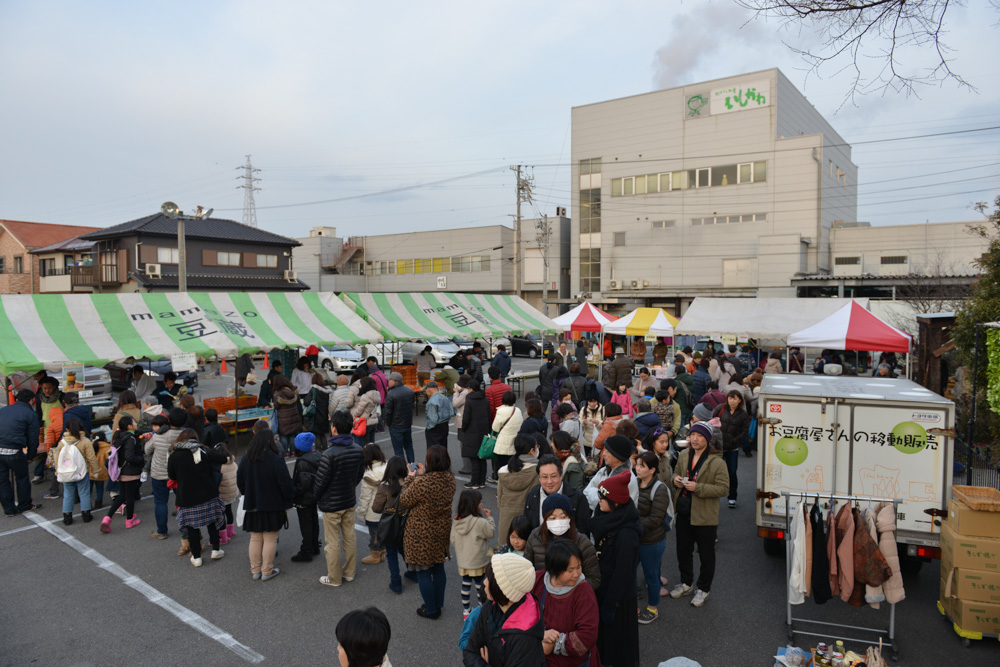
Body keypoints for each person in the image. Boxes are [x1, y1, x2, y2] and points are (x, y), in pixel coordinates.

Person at [670, 421, 729, 607]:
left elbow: (723, 488)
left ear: (708, 439)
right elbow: (675, 474)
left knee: (706, 554)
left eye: (700, 436)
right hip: (684, 511)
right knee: (683, 551)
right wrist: (676, 480)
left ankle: (703, 588)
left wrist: (699, 487)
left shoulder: (717, 462)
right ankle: (686, 583)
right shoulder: (684, 454)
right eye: (693, 435)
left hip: (704, 515)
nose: (694, 439)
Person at [591, 471, 640, 666]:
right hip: (604, 590)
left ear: (616, 502)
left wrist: (610, 605)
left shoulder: (627, 534)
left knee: (619, 647)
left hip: (617, 598)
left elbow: (623, 573)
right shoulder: (609, 518)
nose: (599, 500)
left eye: (603, 497)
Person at [400, 445, 456, 619]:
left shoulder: (423, 483)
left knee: (423, 571)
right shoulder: (450, 479)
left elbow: (404, 499)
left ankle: (431, 609)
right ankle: (438, 603)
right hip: (441, 530)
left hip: (421, 533)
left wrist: (411, 477)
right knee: (438, 568)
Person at [462, 553, 546, 666]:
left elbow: (473, 654)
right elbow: (470, 650)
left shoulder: (524, 636)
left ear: (503, 589)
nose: (484, 582)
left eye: (490, 579)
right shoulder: (490, 605)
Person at [314, 410, 366, 587]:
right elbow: (359, 474)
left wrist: (315, 497)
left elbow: (320, 482)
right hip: (349, 500)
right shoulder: (358, 449)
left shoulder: (329, 454)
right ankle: (349, 573)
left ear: (334, 429)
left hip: (331, 503)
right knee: (349, 537)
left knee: (333, 541)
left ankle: (334, 578)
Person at [531, 538, 601, 667]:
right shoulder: (537, 581)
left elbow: (587, 635)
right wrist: (540, 634)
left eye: (579, 567)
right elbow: (520, 616)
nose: (576, 574)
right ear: (553, 570)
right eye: (570, 570)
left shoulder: (583, 591)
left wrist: (554, 644)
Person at [237, 429, 295, 581]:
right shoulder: (276, 459)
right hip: (272, 505)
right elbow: (285, 484)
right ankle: (267, 571)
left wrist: (247, 493)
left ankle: (255, 570)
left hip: (252, 504)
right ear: (270, 441)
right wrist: (289, 498)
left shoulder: (246, 458)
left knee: (255, 538)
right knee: (270, 538)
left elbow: (240, 482)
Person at [168, 429, 228, 567]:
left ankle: (197, 557)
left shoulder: (174, 456)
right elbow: (223, 458)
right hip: (208, 492)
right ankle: (216, 549)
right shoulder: (203, 450)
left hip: (187, 497)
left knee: (191, 527)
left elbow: (172, 476)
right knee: (212, 521)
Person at [524, 493, 601, 587]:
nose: (558, 521)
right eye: (552, 518)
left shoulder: (582, 542)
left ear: (570, 518)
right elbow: (526, 571)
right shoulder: (535, 537)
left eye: (563, 517)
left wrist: (567, 590)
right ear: (545, 520)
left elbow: (594, 579)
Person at [635, 451, 671, 624]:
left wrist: (632, 526)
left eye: (642, 466)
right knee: (629, 572)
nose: (638, 469)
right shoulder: (633, 483)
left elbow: (656, 519)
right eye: (637, 464)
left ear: (652, 469)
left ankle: (652, 608)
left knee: (651, 576)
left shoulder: (660, 489)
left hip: (652, 541)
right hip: (635, 538)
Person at [451, 488, 496, 619]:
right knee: (479, 586)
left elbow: (453, 540)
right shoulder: (480, 522)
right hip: (478, 561)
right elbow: (491, 533)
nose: (481, 504)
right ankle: (483, 609)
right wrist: (490, 518)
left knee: (465, 584)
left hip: (464, 561)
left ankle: (466, 611)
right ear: (474, 505)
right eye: (479, 502)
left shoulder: (457, 521)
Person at [0, 390, 42, 516]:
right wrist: (30, 456)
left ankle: (9, 510)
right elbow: (33, 438)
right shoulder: (30, 414)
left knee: (2, 481)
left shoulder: (3, 410)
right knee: (22, 477)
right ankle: (25, 505)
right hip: (14, 451)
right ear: (31, 400)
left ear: (17, 399)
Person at [146, 407, 186, 540]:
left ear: (169, 420)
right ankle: (185, 531)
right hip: (179, 473)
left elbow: (147, 450)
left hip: (159, 473)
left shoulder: (159, 435)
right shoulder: (186, 435)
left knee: (160, 503)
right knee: (182, 501)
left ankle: (162, 531)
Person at [372, 456, 410, 594]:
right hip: (406, 523)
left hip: (390, 526)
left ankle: (396, 583)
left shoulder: (384, 487)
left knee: (391, 554)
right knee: (405, 550)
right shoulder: (409, 483)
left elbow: (376, 508)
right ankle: (412, 573)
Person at [100, 415, 144, 532]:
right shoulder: (131, 439)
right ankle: (130, 520)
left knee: (122, 496)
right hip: (130, 471)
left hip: (120, 470)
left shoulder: (119, 436)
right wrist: (141, 460)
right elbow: (130, 457)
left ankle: (107, 518)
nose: (136, 423)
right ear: (129, 426)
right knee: (129, 496)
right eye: (134, 422)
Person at [54, 418, 98, 524]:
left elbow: (57, 459)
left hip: (66, 473)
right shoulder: (85, 441)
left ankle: (67, 517)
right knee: (84, 493)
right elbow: (91, 458)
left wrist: (57, 471)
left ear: (67, 429)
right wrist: (95, 470)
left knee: (68, 494)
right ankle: (86, 514)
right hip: (82, 472)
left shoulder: (62, 442)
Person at [290, 432, 323, 563]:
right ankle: (315, 546)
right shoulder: (316, 456)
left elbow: (303, 485)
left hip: (304, 498)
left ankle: (306, 551)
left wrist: (293, 491)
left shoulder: (303, 462)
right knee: (314, 521)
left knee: (306, 525)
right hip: (314, 496)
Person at [583, 435, 639, 512]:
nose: (604, 454)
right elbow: (585, 493)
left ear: (617, 456)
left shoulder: (629, 480)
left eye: (608, 451)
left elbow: (621, 511)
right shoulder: (603, 471)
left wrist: (594, 493)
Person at [719, 390, 749, 508]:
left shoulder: (743, 414)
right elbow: (712, 421)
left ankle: (732, 497)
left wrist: (735, 440)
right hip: (719, 447)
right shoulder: (721, 408)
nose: (732, 401)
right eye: (730, 398)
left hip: (732, 448)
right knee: (714, 472)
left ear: (740, 400)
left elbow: (744, 431)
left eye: (735, 399)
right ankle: (711, 495)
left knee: (732, 473)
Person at [358, 444, 388, 565]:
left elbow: (365, 498)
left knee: (374, 535)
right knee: (383, 533)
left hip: (373, 511)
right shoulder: (388, 467)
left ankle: (375, 555)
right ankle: (382, 552)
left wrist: (361, 512)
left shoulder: (368, 474)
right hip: (386, 508)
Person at [460, 380, 491, 490]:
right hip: (483, 431)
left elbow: (466, 416)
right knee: (482, 457)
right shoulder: (485, 398)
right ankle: (482, 481)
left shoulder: (469, 399)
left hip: (472, 431)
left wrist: (463, 428)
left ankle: (474, 482)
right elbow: (489, 415)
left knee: (474, 458)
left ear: (471, 388)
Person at [491, 391, 524, 480]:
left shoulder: (501, 411)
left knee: (502, 468)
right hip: (514, 443)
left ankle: (502, 488)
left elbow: (495, 428)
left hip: (503, 444)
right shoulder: (517, 410)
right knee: (512, 468)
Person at [383, 372, 415, 463]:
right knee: (409, 447)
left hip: (396, 425)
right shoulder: (410, 391)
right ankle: (412, 468)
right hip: (407, 424)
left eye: (390, 380)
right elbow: (412, 406)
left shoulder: (391, 394)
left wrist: (388, 423)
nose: (388, 382)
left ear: (394, 381)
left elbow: (388, 412)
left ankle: (402, 470)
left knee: (398, 450)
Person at [273, 376, 304, 459]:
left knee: (284, 436)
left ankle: (286, 452)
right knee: (293, 435)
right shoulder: (293, 391)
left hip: (283, 418)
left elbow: (276, 406)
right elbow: (298, 402)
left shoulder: (278, 393)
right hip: (294, 416)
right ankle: (293, 452)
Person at [215, 439, 238, 545]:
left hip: (222, 494)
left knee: (221, 515)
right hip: (231, 492)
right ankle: (231, 531)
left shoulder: (219, 466)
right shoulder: (233, 463)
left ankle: (223, 537)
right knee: (229, 511)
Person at [350, 377, 381, 447]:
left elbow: (359, 411)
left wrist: (354, 413)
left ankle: (366, 457)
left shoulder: (365, 396)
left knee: (365, 446)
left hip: (365, 423)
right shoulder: (377, 394)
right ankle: (373, 456)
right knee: (372, 444)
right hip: (374, 421)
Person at [424, 381, 454, 449]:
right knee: (443, 449)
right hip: (445, 425)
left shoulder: (432, 401)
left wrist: (428, 428)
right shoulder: (444, 397)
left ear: (429, 389)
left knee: (434, 451)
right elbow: (450, 411)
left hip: (435, 428)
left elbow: (433, 419)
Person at [90, 429, 111, 510]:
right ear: (105, 439)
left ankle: (87, 505)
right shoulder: (107, 448)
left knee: (88, 490)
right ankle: (98, 502)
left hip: (90, 471)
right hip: (101, 472)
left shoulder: (90, 446)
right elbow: (109, 460)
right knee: (99, 488)